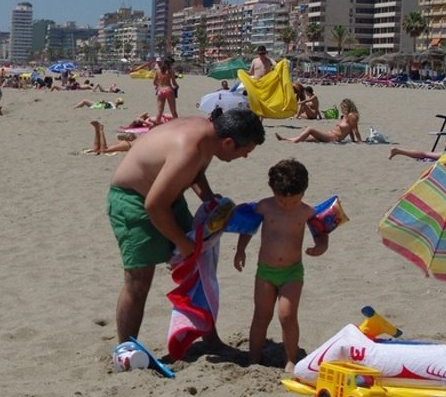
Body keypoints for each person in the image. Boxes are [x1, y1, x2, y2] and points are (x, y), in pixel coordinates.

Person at [107, 108, 265, 346]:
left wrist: (209, 199)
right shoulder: (189, 149)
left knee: (199, 264)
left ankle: (209, 338)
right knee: (138, 281)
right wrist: (181, 241)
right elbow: (154, 205)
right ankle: (126, 350)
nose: (244, 157)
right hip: (133, 200)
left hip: (166, 197)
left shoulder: (209, 134)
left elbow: (194, 173)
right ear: (228, 142)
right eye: (245, 151)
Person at [233, 159, 327, 371]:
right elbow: (248, 228)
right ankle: (254, 358)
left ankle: (291, 359)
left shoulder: (306, 212)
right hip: (265, 271)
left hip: (292, 272)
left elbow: (321, 232)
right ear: (273, 191)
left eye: (294, 201)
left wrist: (321, 246)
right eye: (282, 201)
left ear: (303, 192)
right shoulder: (265, 207)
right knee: (261, 315)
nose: (287, 205)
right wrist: (240, 249)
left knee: (287, 315)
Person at [276, 98, 361, 144]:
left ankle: (294, 142)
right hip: (329, 134)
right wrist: (353, 140)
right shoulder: (346, 116)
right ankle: (285, 139)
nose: (342, 110)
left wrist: (359, 141)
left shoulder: (352, 115)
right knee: (307, 138)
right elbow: (350, 130)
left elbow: (355, 129)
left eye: (343, 107)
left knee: (310, 129)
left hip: (333, 137)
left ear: (348, 107)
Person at [152, 57, 179, 123]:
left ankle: (157, 125)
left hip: (160, 90)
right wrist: (177, 86)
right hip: (168, 89)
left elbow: (154, 83)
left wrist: (159, 85)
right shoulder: (170, 71)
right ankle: (177, 125)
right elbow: (174, 83)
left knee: (159, 111)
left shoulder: (158, 70)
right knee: (173, 111)